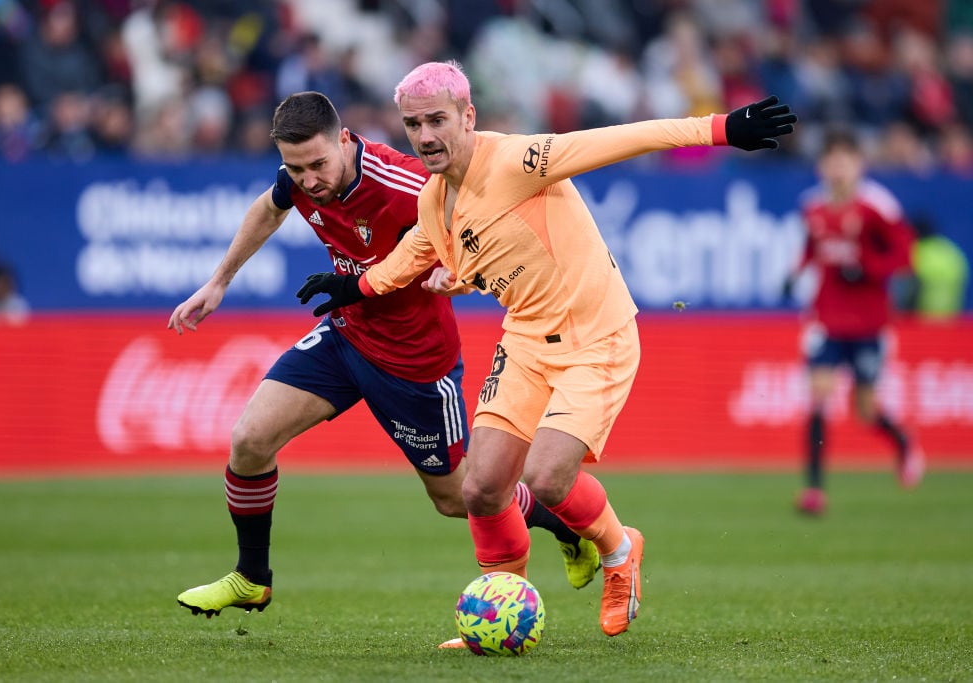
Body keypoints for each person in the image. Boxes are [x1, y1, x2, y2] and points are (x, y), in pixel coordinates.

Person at [296, 60, 797, 640]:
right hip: (528, 339)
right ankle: (495, 612)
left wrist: (718, 130)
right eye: (414, 124)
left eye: (438, 120)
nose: (426, 136)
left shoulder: (515, 160)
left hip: (597, 336)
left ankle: (618, 551)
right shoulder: (435, 199)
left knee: (548, 478)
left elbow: (617, 140)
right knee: (482, 488)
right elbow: (410, 258)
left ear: (468, 116)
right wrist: (353, 286)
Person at [167, 91, 601, 621]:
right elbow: (269, 207)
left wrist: (456, 275)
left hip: (416, 364)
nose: (308, 180)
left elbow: (480, 231)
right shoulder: (300, 179)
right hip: (345, 337)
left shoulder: (407, 185)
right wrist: (218, 282)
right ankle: (252, 578)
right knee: (250, 441)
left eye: (318, 164)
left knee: (459, 498)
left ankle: (568, 528)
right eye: (295, 168)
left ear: (345, 141)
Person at [784, 128, 925, 517]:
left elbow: (904, 256)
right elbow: (811, 249)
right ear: (822, 166)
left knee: (864, 409)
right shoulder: (811, 207)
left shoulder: (877, 206)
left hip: (868, 321)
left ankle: (903, 443)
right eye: (832, 159)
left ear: (858, 164)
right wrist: (795, 273)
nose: (838, 167)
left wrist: (867, 269)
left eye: (845, 159)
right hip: (826, 316)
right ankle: (814, 490)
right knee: (819, 396)